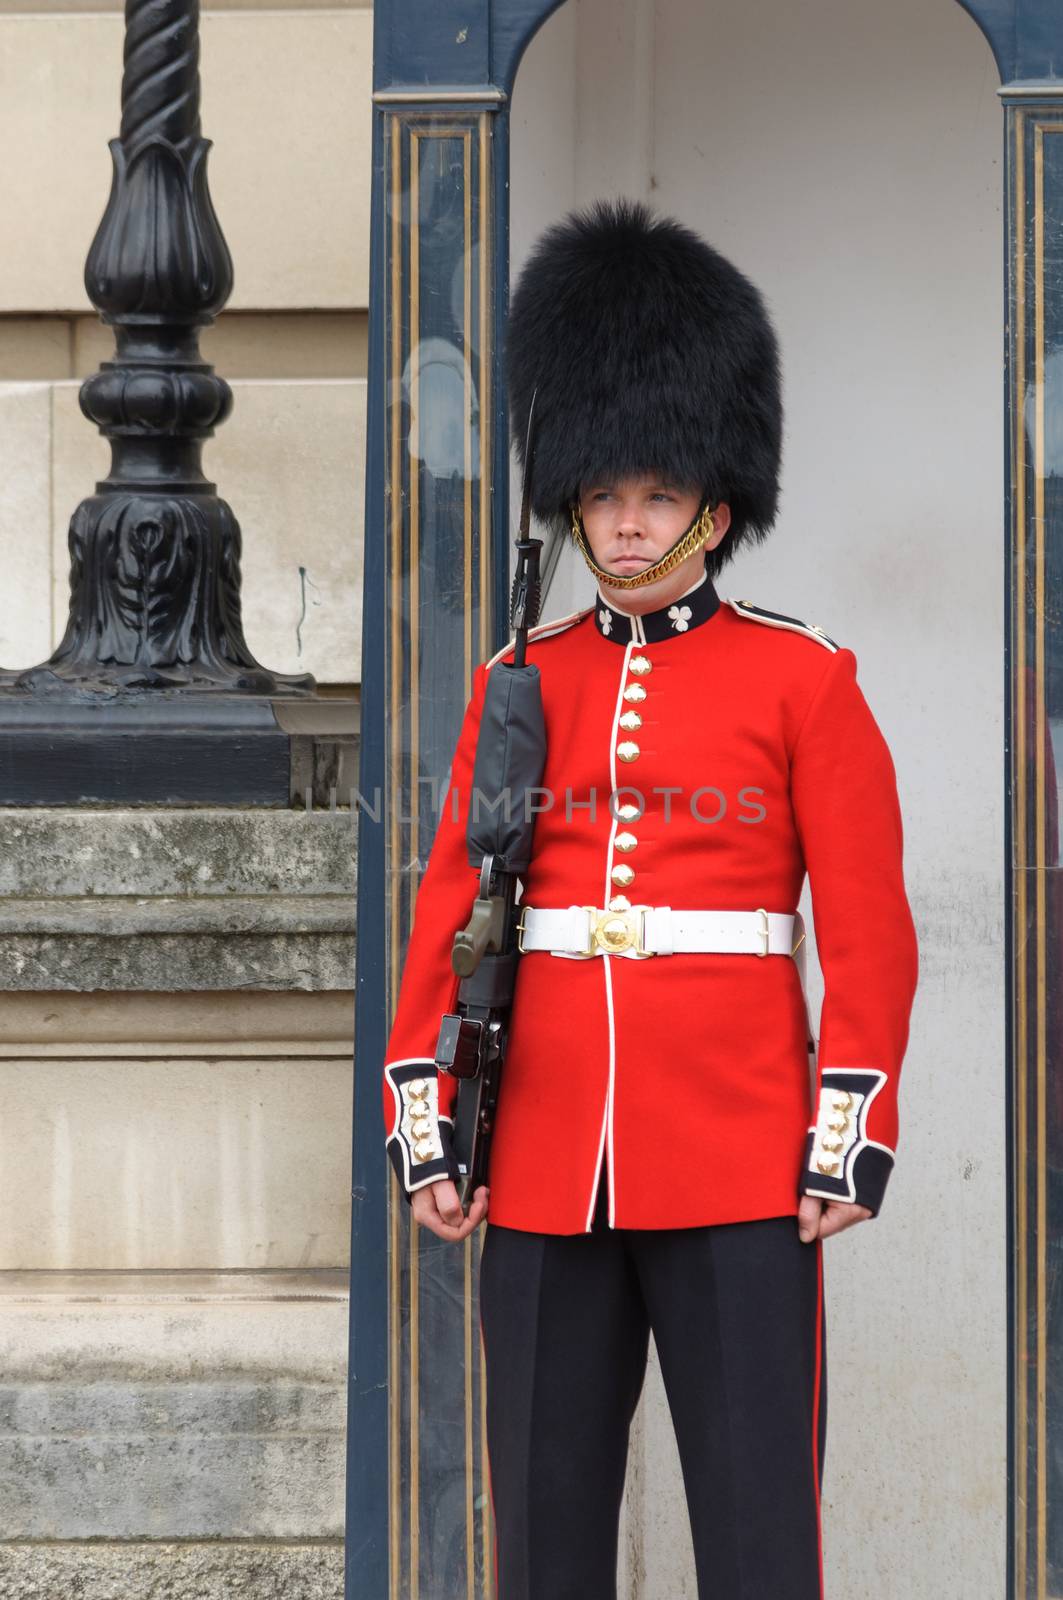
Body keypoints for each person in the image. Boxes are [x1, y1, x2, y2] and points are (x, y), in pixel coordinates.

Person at [380, 198, 919, 1600]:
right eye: (606, 494)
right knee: (543, 1541)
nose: (625, 524)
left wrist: (847, 1125)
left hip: (742, 1156)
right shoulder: (528, 679)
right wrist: (429, 1123)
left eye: (658, 497)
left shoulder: (804, 680)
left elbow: (865, 922)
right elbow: (458, 901)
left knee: (756, 1537)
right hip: (550, 1158)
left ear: (715, 509)